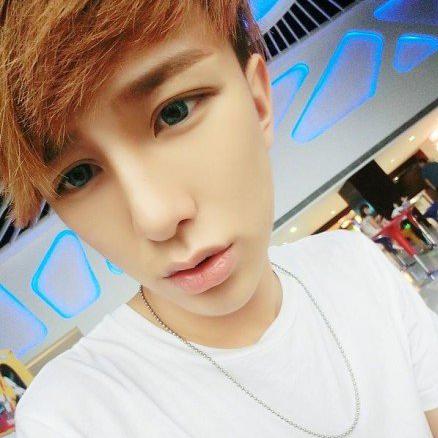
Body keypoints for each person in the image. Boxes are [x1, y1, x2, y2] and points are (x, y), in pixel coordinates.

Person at [1, 1, 437, 437]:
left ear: (258, 102)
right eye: (77, 176)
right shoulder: (74, 415)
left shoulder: (354, 266)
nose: (156, 218)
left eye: (174, 112)